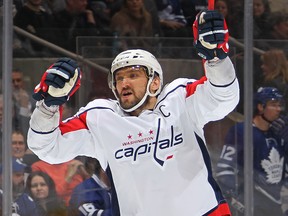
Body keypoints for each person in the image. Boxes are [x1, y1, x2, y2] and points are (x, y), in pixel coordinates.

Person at [27, 10, 239, 215]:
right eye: (119, 78)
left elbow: (224, 98)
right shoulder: (101, 118)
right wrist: (48, 106)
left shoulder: (181, 99)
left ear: (155, 82)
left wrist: (216, 59)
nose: (124, 83)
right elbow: (46, 147)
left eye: (133, 75)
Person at [216, 87, 287, 215]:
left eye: (279, 105)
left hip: (275, 205)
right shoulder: (242, 131)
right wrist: (240, 201)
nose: (278, 109)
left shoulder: (278, 135)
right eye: (273, 104)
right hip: (253, 202)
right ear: (260, 107)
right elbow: (224, 169)